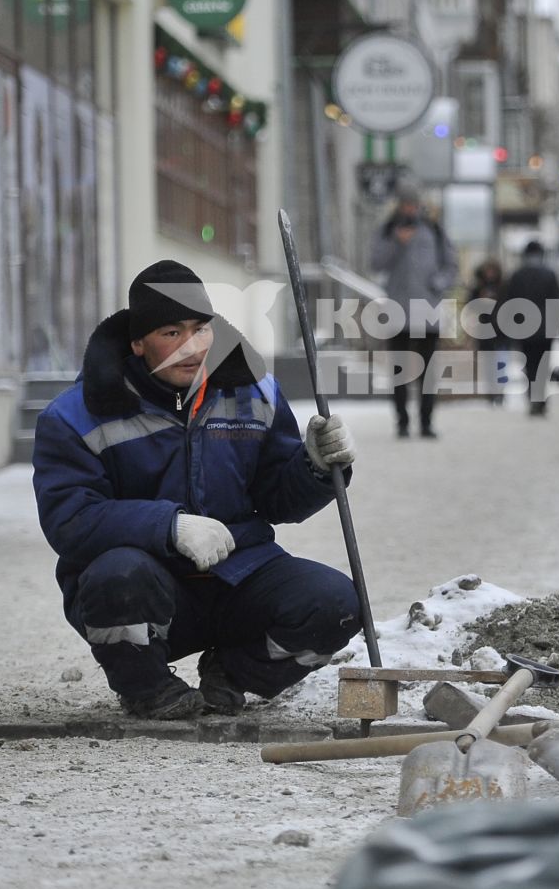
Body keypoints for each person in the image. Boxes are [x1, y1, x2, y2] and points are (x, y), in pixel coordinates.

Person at [31, 261, 361, 721]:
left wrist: (317, 468)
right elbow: (70, 521)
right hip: (145, 590)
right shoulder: (74, 416)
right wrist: (169, 527)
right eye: (171, 332)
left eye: (199, 329)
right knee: (115, 577)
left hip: (239, 576)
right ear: (138, 342)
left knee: (339, 606)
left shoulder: (255, 393)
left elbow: (279, 500)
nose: (190, 346)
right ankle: (147, 688)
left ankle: (232, 675)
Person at [368, 193, 457, 439]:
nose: (409, 209)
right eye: (405, 204)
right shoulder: (387, 232)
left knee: (427, 372)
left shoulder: (434, 232)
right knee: (399, 371)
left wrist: (437, 284)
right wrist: (398, 243)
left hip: (428, 312)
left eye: (413, 204)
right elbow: (376, 264)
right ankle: (402, 422)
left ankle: (426, 422)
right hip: (398, 312)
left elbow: (451, 265)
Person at [497, 240, 559, 417]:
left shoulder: (517, 275)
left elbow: (508, 302)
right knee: (543, 364)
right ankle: (539, 398)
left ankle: (534, 398)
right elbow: (556, 302)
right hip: (546, 327)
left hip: (524, 327)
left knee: (530, 365)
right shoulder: (549, 274)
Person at [467, 258, 505, 406]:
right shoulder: (478, 288)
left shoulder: (503, 287)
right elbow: (470, 306)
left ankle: (500, 391)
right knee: (488, 363)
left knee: (501, 362)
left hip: (502, 331)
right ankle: (491, 391)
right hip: (485, 331)